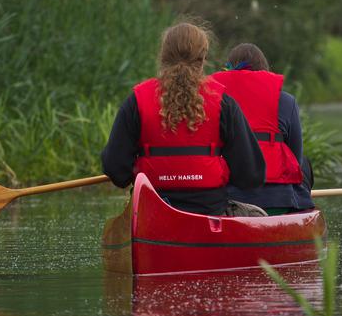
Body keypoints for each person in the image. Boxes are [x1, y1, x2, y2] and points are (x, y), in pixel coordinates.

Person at [101, 23, 267, 216]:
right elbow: (252, 175)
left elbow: (115, 169)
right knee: (257, 214)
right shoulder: (223, 103)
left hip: (153, 210)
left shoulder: (136, 101)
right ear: (202, 59)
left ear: (163, 58)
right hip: (209, 210)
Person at [212, 43, 315, 215]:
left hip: (227, 202)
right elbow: (295, 160)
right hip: (277, 201)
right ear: (264, 70)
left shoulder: (214, 100)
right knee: (304, 163)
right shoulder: (287, 101)